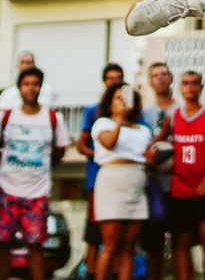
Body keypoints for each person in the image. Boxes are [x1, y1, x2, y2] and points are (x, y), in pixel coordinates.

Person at [0, 66, 68, 280]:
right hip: (7, 189)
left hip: (37, 193)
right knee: (2, 243)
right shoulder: (5, 118)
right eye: (26, 84)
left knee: (36, 245)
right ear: (19, 88)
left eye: (35, 84)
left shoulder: (52, 118)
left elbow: (59, 151)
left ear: (40, 87)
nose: (31, 88)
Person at [168, 71, 205, 280]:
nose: (190, 87)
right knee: (182, 239)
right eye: (186, 83)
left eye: (194, 83)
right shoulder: (174, 116)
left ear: (201, 87)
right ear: (180, 88)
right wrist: (151, 152)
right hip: (180, 187)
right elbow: (160, 142)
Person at [93, 84, 153, 280]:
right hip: (112, 181)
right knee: (110, 243)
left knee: (129, 245)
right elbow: (110, 142)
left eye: (127, 98)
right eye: (118, 98)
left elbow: (146, 155)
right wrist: (119, 118)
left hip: (136, 182)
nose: (123, 101)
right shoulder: (103, 124)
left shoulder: (143, 130)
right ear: (110, 103)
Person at [78, 63, 127, 278]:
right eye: (110, 78)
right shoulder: (93, 110)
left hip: (123, 181)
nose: (114, 81)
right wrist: (100, 155)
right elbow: (81, 143)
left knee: (118, 235)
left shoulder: (130, 111)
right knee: (94, 231)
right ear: (104, 81)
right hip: (97, 178)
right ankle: (90, 272)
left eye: (118, 77)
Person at [143, 62, 179, 280]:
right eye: (155, 75)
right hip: (153, 186)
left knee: (180, 242)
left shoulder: (182, 109)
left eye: (164, 74)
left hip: (178, 184)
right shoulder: (144, 112)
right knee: (153, 244)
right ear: (149, 81)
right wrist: (162, 135)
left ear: (171, 78)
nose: (160, 78)